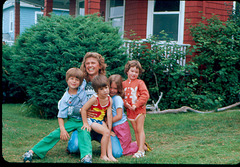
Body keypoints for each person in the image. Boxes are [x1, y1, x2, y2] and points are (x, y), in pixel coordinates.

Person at [22, 68, 92, 163]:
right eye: (71, 78)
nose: (74, 81)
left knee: (85, 133)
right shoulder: (65, 99)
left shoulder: (82, 88)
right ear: (67, 80)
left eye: (77, 79)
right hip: (72, 121)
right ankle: (32, 151)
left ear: (80, 82)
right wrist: (62, 130)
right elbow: (61, 116)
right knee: (55, 134)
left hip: (83, 120)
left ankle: (86, 156)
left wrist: (85, 123)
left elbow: (84, 76)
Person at [67, 52, 122, 158]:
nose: (90, 65)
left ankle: (104, 148)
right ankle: (74, 140)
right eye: (87, 63)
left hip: (101, 123)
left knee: (117, 153)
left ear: (99, 65)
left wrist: (109, 127)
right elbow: (68, 104)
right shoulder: (79, 83)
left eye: (93, 63)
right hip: (85, 123)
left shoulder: (105, 82)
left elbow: (112, 103)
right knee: (74, 147)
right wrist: (81, 111)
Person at [109, 74, 152, 156]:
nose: (112, 90)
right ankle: (138, 144)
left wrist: (108, 122)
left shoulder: (117, 99)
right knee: (120, 146)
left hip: (121, 127)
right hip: (115, 127)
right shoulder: (111, 98)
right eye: (110, 87)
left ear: (119, 89)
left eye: (115, 88)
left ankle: (141, 146)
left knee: (124, 150)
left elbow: (119, 116)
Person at [81, 75, 117, 162]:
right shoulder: (94, 99)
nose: (105, 90)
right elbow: (83, 109)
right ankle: (103, 155)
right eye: (101, 89)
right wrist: (85, 123)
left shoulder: (109, 99)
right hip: (92, 120)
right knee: (105, 132)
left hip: (100, 120)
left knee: (108, 133)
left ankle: (110, 155)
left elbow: (109, 115)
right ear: (97, 90)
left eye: (106, 87)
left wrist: (110, 128)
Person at [122, 60, 150, 158]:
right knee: (135, 130)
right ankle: (141, 146)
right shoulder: (123, 84)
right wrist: (126, 104)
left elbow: (145, 95)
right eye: (132, 71)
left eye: (136, 72)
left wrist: (136, 104)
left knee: (139, 129)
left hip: (139, 111)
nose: (134, 74)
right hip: (130, 112)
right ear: (127, 71)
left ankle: (141, 150)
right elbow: (122, 97)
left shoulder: (140, 82)